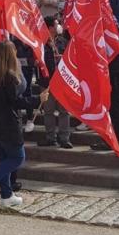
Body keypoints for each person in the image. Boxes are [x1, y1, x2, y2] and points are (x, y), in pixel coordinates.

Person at [0, 41, 45, 208]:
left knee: (4, 158)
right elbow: (15, 102)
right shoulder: (9, 76)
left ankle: (7, 195)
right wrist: (37, 99)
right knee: (17, 157)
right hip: (7, 124)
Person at [92, 22, 119, 154]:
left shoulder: (116, 30)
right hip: (103, 73)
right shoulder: (104, 28)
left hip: (113, 73)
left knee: (114, 107)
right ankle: (108, 138)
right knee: (105, 108)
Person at [36, 17, 72, 148]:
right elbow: (32, 59)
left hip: (62, 82)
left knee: (64, 111)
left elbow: (71, 57)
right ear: (50, 27)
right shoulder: (40, 42)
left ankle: (64, 138)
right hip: (46, 82)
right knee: (48, 111)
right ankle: (50, 137)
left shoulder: (63, 41)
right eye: (57, 24)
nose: (59, 26)